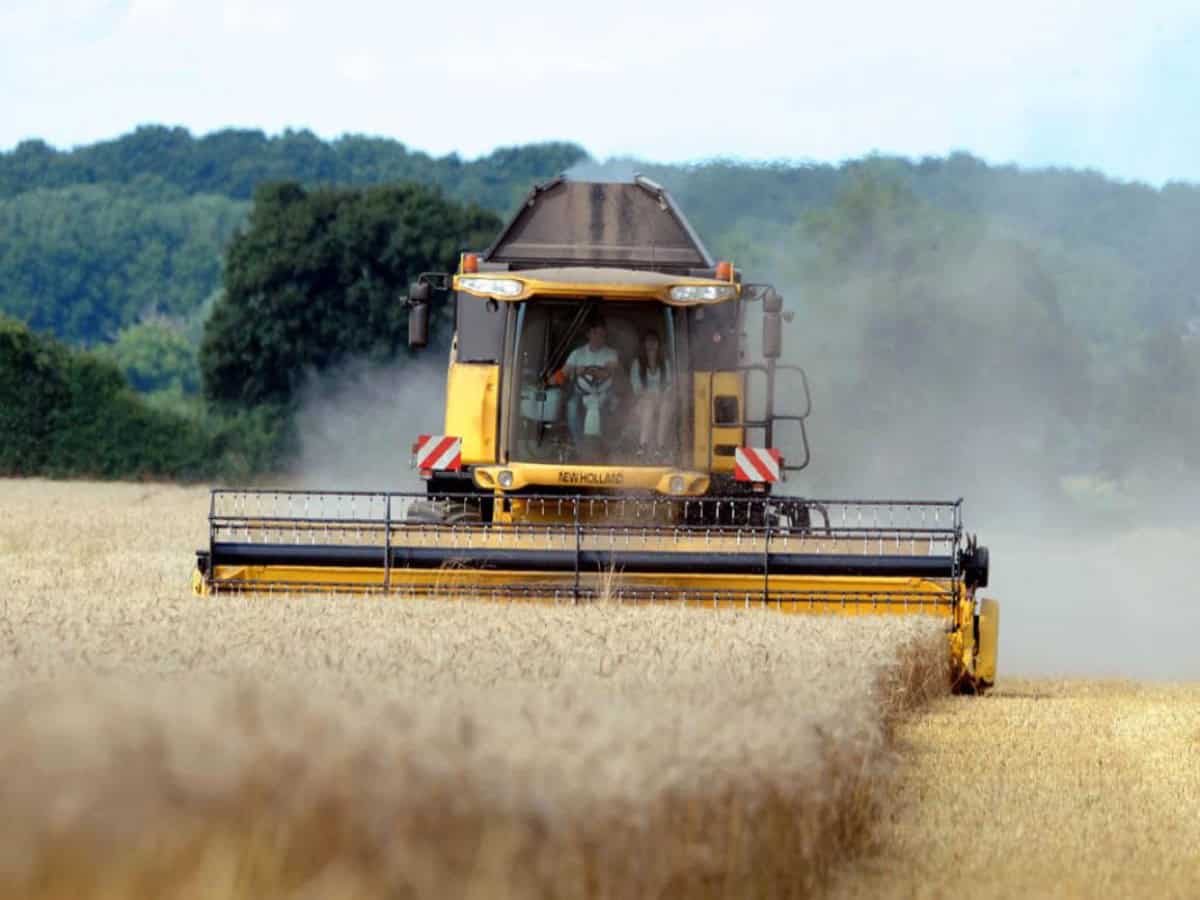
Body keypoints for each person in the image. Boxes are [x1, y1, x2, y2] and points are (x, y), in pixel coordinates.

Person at [563, 317, 620, 443]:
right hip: (581, 393)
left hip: (605, 392)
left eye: (601, 334)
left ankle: (609, 446)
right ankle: (580, 445)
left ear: (605, 335)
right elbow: (564, 372)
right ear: (588, 334)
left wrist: (584, 370)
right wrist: (549, 380)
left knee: (616, 405)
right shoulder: (577, 353)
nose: (598, 337)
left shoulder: (611, 353)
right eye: (595, 333)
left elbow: (609, 372)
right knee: (571, 406)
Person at [630, 329, 672, 455]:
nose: (651, 345)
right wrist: (650, 396)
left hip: (662, 400)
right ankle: (643, 445)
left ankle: (660, 447)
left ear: (659, 345)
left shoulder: (665, 363)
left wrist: (663, 396)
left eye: (654, 341)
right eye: (648, 341)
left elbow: (669, 385)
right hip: (642, 401)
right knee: (648, 406)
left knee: (666, 407)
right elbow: (636, 388)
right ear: (644, 344)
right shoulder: (637, 363)